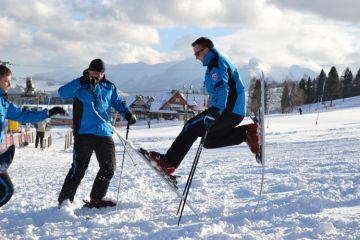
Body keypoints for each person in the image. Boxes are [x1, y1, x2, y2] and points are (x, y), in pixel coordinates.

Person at [147, 37, 260, 175]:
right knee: (208, 141)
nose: (196, 57)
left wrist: (216, 111)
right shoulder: (215, 62)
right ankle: (246, 133)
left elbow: (222, 87)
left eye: (197, 53)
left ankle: (169, 163)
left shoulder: (217, 63)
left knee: (190, 126)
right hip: (233, 111)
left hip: (226, 110)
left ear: (206, 50)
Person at [57, 58, 137, 208]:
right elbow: (62, 93)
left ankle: (96, 199)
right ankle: (65, 201)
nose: (98, 75)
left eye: (100, 73)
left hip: (104, 132)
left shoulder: (109, 86)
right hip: (84, 133)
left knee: (109, 168)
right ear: (88, 71)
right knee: (79, 168)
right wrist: (81, 81)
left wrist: (128, 114)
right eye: (95, 72)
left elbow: (118, 102)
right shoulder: (80, 86)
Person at [0, 65, 65, 208]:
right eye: (6, 81)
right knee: (5, 189)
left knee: (6, 190)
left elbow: (24, 115)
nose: (10, 85)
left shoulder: (3, 104)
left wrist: (48, 113)